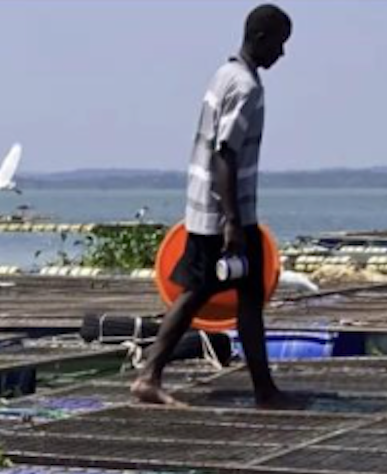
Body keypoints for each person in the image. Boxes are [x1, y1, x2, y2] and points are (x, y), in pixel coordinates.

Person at [133, 5, 292, 409]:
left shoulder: (224, 74)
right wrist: (233, 223)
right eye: (279, 43)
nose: (282, 53)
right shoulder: (245, 87)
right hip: (224, 215)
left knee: (243, 295)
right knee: (202, 294)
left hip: (208, 207)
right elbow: (225, 153)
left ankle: (264, 389)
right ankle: (149, 375)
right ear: (260, 40)